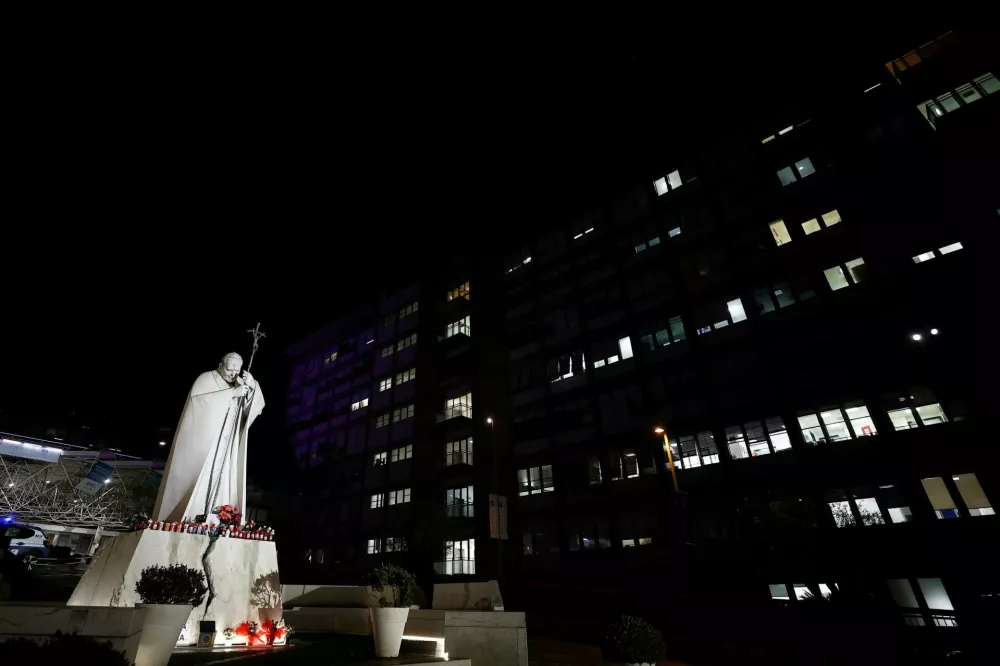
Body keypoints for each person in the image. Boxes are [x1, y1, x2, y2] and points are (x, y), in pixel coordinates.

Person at [152, 353, 265, 523]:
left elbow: (254, 408)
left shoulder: (239, 383)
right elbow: (197, 403)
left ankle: (219, 516)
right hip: (206, 442)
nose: (233, 373)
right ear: (220, 365)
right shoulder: (206, 379)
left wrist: (252, 386)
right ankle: (187, 517)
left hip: (227, 442)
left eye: (237, 370)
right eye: (230, 369)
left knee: (224, 477)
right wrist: (231, 394)